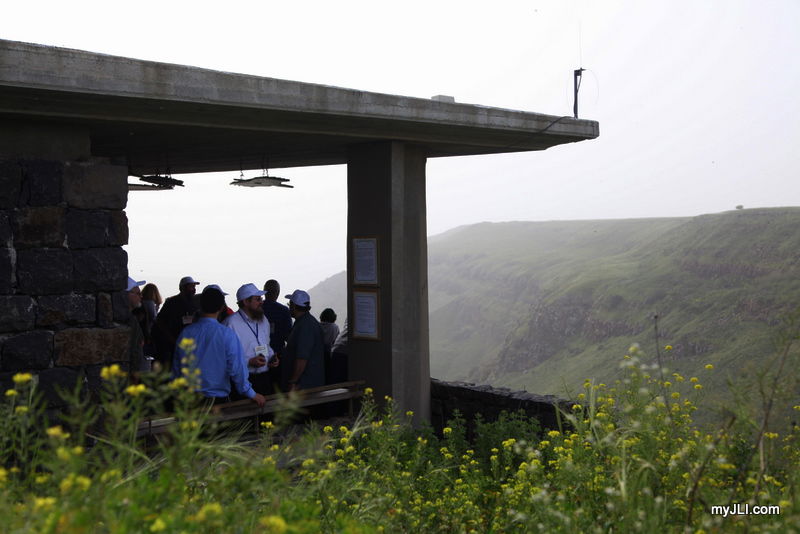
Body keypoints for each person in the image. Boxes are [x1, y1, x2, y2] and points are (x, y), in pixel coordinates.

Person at [173, 286, 266, 407]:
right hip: (216, 402)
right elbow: (236, 368)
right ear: (222, 308)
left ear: (200, 306)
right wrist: (250, 393)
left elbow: (177, 367)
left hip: (189, 400)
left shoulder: (186, 333)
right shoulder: (227, 334)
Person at [223, 283, 277, 395]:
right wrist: (248, 362)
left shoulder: (263, 320)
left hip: (265, 377)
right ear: (245, 302)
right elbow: (225, 357)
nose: (261, 302)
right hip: (243, 380)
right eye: (257, 299)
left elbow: (266, 345)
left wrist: (272, 357)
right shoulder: (230, 323)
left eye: (261, 299)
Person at [152, 276, 200, 371]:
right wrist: (172, 339)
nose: (194, 290)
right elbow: (160, 322)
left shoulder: (194, 304)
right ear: (182, 288)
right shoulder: (171, 302)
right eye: (191, 287)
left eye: (194, 287)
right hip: (171, 345)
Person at [281, 289, 324, 392]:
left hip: (304, 385)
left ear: (294, 306)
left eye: (289, 304)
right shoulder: (304, 322)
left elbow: (302, 358)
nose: (289, 307)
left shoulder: (306, 326)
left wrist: (293, 382)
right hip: (306, 383)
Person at [262, 279, 292, 357]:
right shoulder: (284, 311)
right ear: (278, 292)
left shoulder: (256, 309)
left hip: (258, 353)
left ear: (264, 292)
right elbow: (288, 336)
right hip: (277, 353)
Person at [126, 276, 149, 375]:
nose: (141, 296)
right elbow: (134, 350)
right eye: (138, 293)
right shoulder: (129, 320)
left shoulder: (131, 318)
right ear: (126, 295)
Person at [319, 308, 340, 384]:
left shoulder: (318, 325)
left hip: (318, 353)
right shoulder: (335, 327)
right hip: (329, 354)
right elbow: (336, 341)